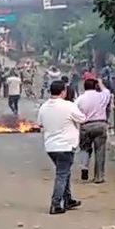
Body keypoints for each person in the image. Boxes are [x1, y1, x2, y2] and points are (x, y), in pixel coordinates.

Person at [37, 80, 86, 214]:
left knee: (64, 173)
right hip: (66, 145)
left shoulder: (44, 107)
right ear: (63, 91)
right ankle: (56, 204)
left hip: (51, 147)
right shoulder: (68, 106)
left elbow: (40, 124)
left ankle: (68, 199)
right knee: (62, 174)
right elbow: (82, 119)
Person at [75, 78, 111, 183]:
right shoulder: (102, 96)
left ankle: (84, 167)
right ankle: (99, 177)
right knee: (100, 151)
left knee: (84, 148)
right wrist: (100, 82)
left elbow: (74, 111)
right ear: (96, 87)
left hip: (85, 125)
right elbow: (107, 91)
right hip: (100, 124)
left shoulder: (80, 99)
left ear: (84, 87)